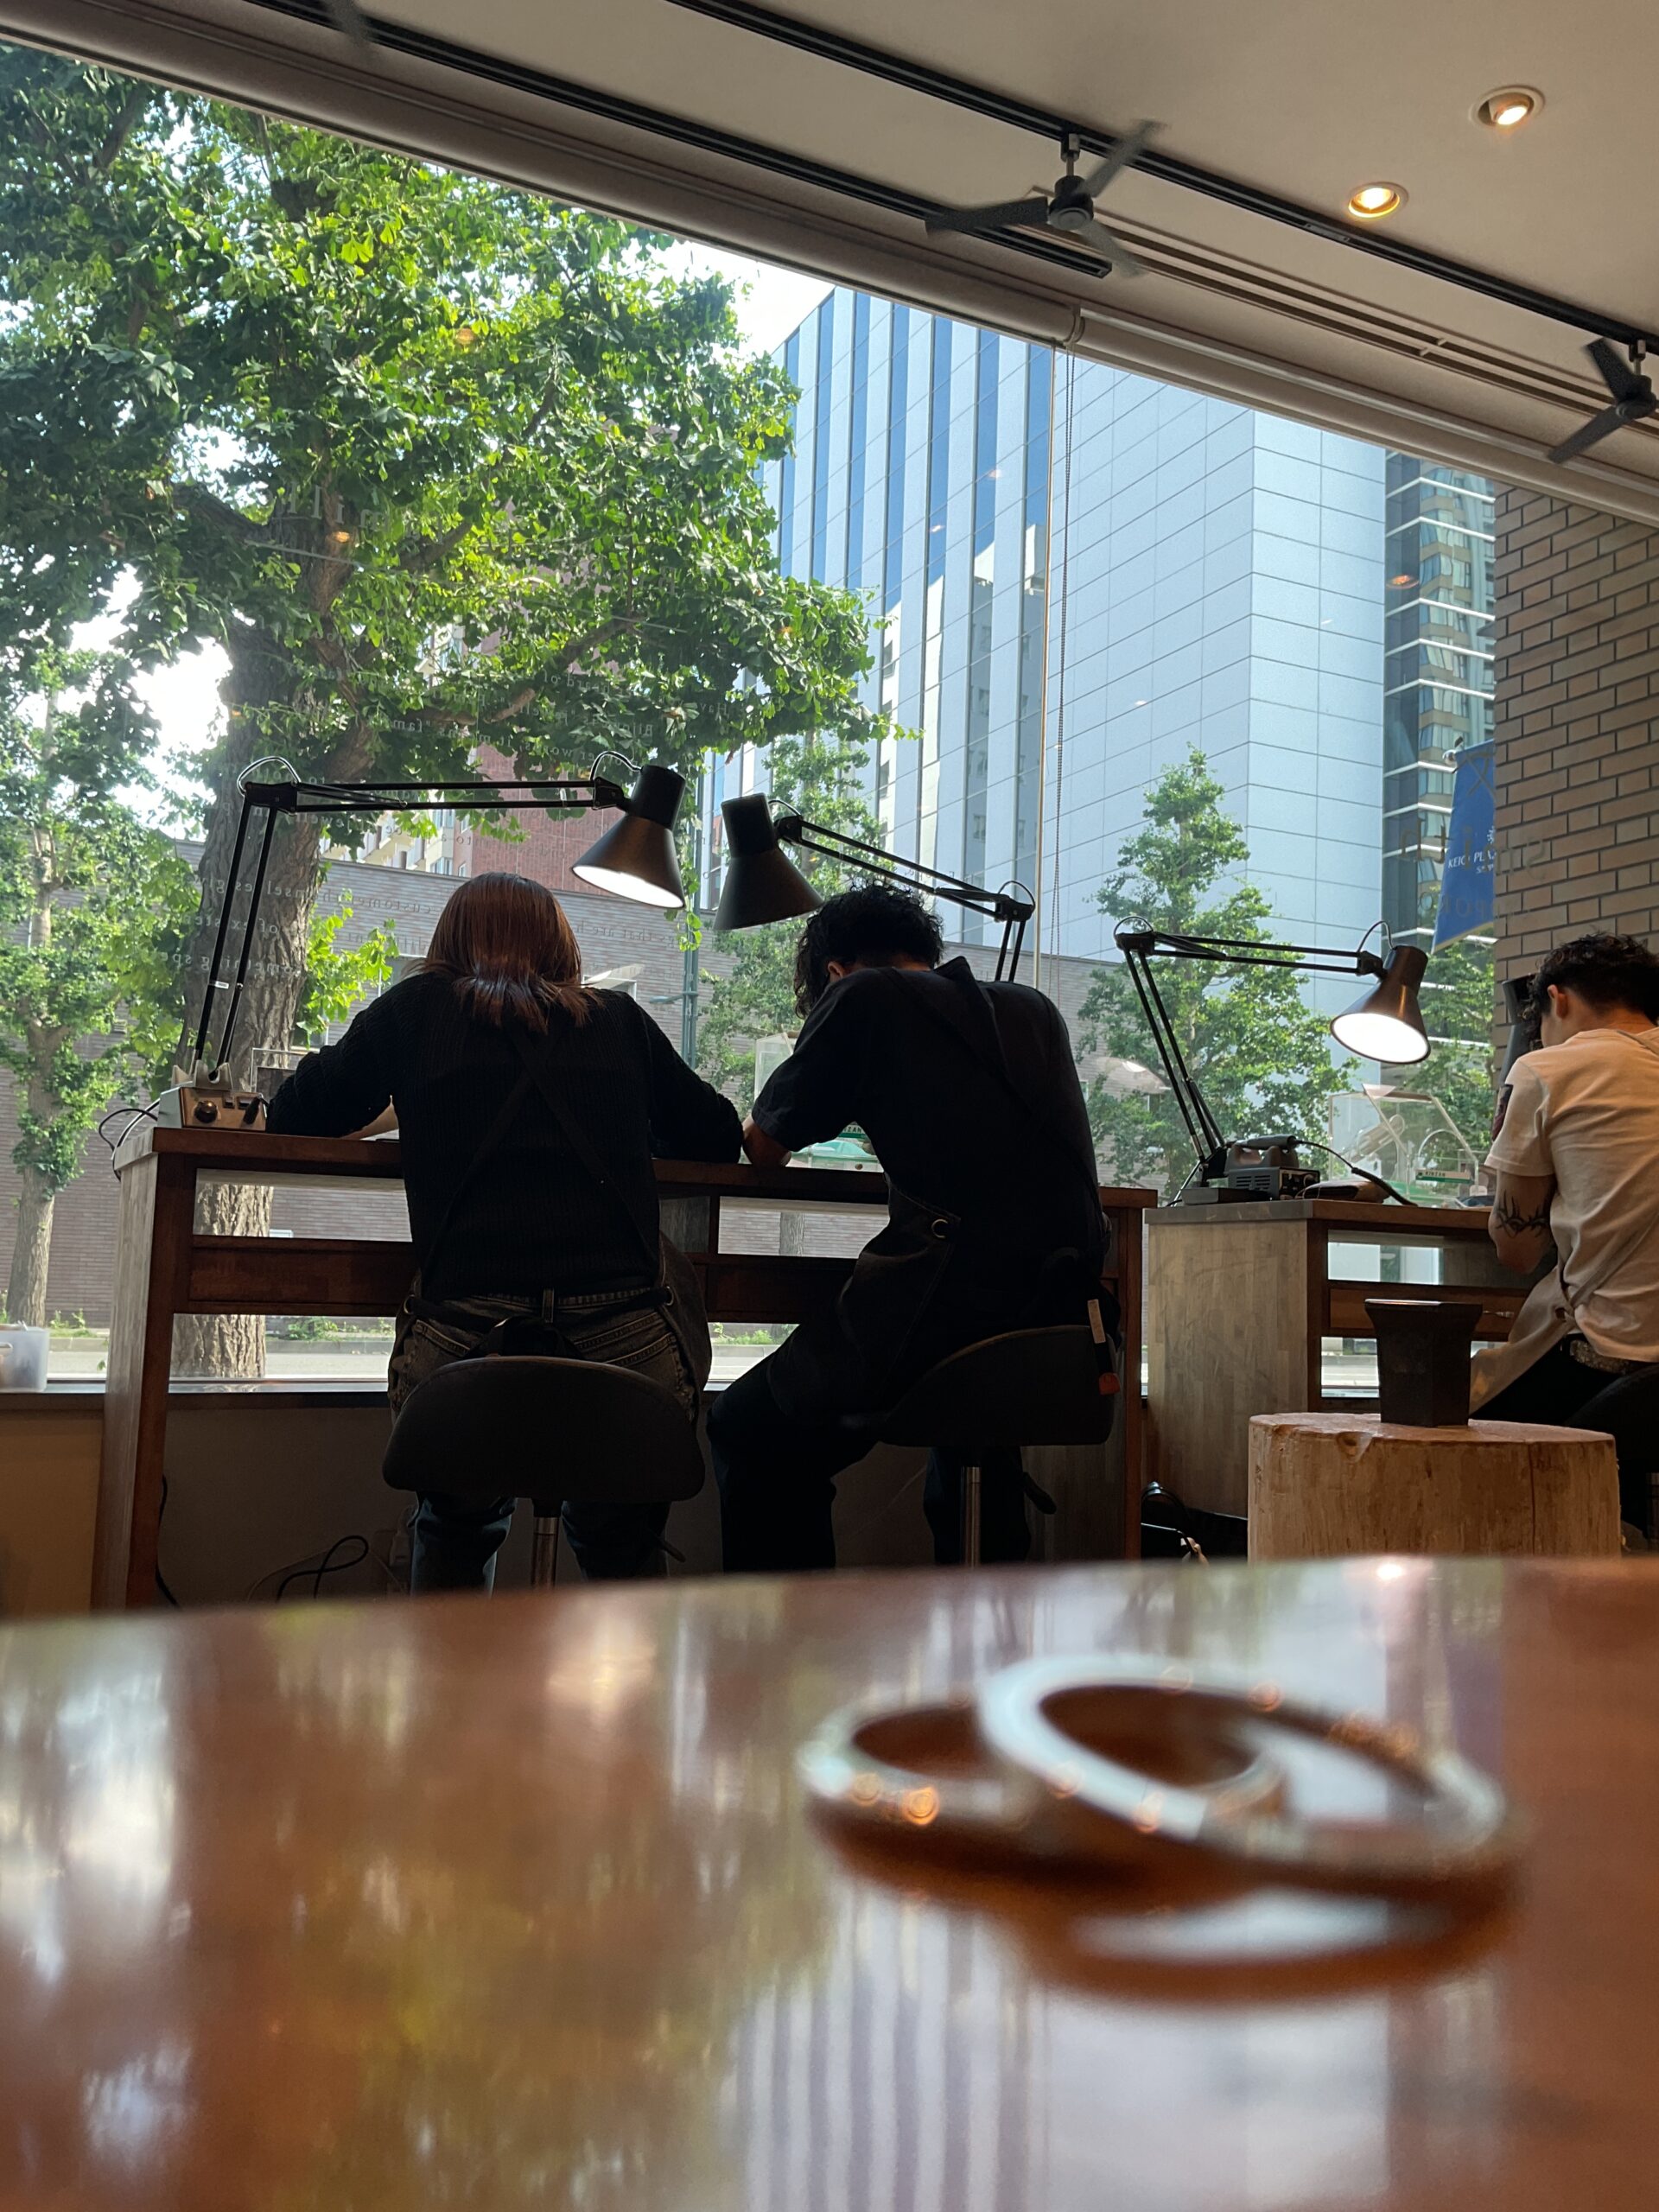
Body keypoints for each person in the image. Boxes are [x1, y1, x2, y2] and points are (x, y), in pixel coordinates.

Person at [267, 872, 741, 1590]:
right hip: (626, 1348)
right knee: (619, 1541)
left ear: (447, 944)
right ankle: (627, 1652)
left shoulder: (414, 1012)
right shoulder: (617, 1020)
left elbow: (296, 1113)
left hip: (463, 1343)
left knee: (455, 1529)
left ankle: (455, 1655)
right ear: (562, 945)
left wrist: (410, 1099)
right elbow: (716, 1136)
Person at [708, 885, 1109, 1573]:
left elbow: (765, 1146)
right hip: (1057, 1315)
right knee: (976, 1437)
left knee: (748, 1432)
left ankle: (792, 1640)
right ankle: (989, 1626)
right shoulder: (1033, 1008)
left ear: (835, 972)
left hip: (940, 1309)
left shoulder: (863, 997)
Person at [1474, 931, 1659, 1535]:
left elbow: (1517, 1250)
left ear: (1558, 999)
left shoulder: (1546, 1069)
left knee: (1452, 1422)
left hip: (1611, 1356)